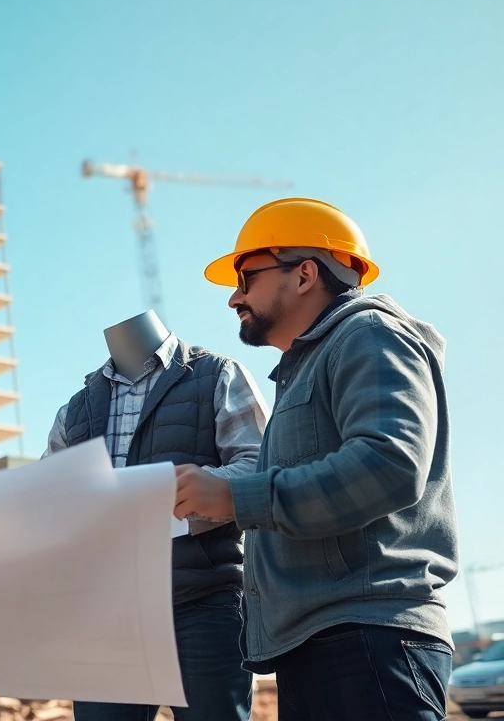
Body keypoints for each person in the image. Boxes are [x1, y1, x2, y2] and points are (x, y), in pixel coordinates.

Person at [175, 197, 457, 720]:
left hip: (370, 638)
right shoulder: (304, 369)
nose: (234, 297)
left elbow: (390, 465)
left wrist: (235, 496)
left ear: (305, 273)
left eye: (247, 276)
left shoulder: (368, 336)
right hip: (322, 642)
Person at [43, 309, 267, 721]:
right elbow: (48, 503)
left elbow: (262, 466)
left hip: (202, 601)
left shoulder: (218, 375)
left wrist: (171, 497)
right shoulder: (73, 411)